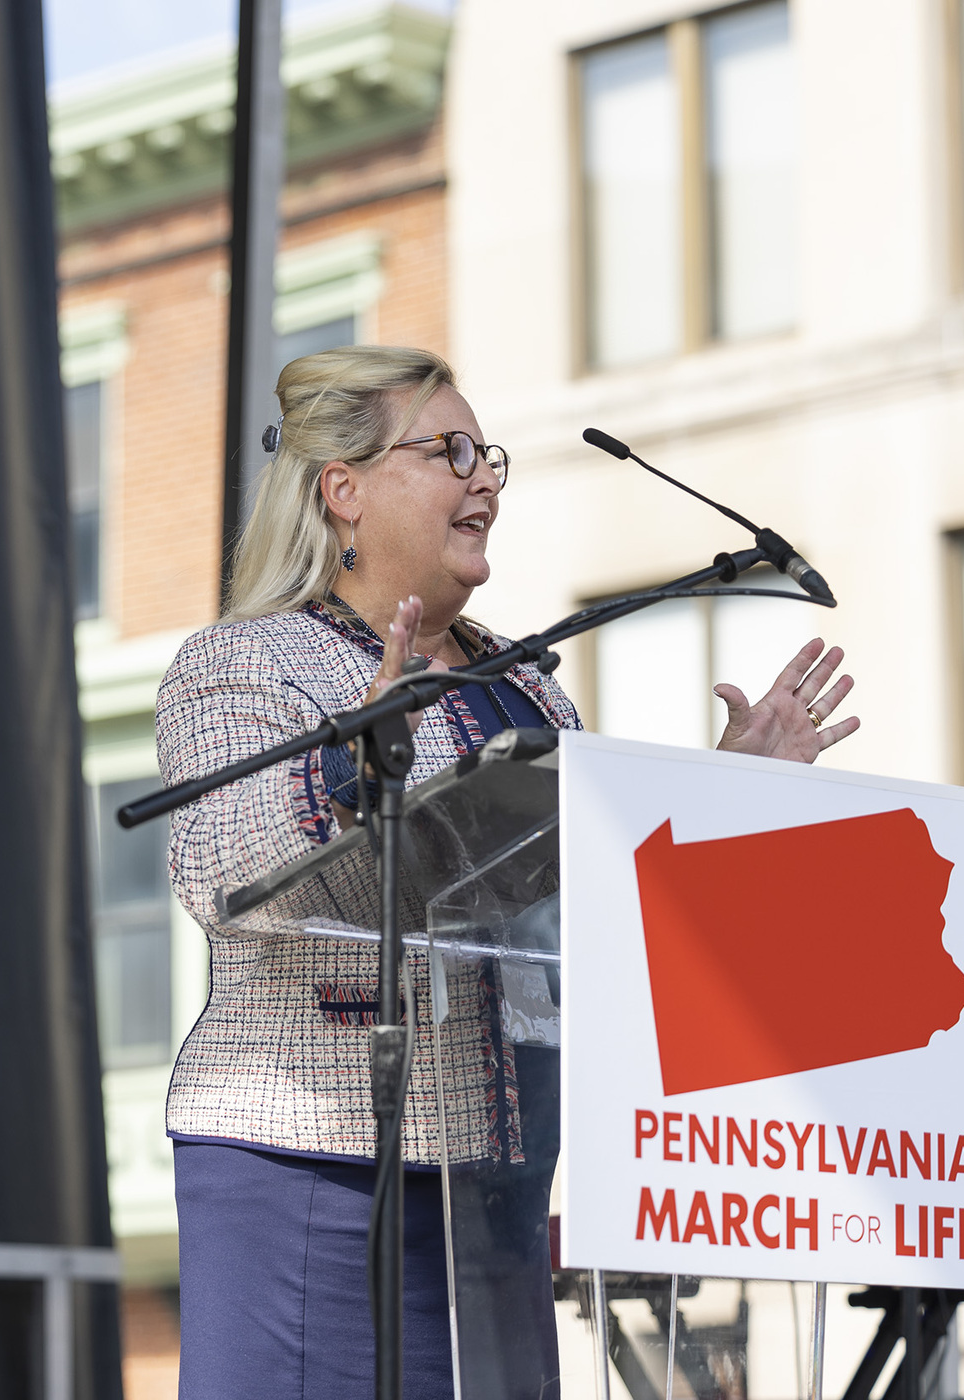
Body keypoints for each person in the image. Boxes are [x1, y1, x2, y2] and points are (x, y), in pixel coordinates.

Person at [155, 345, 859, 1400]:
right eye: (451, 451)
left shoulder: (527, 692)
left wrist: (725, 796)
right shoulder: (247, 661)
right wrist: (352, 765)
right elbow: (219, 867)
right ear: (342, 490)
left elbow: (599, 906)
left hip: (494, 1193)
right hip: (311, 1171)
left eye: (488, 455)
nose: (485, 477)